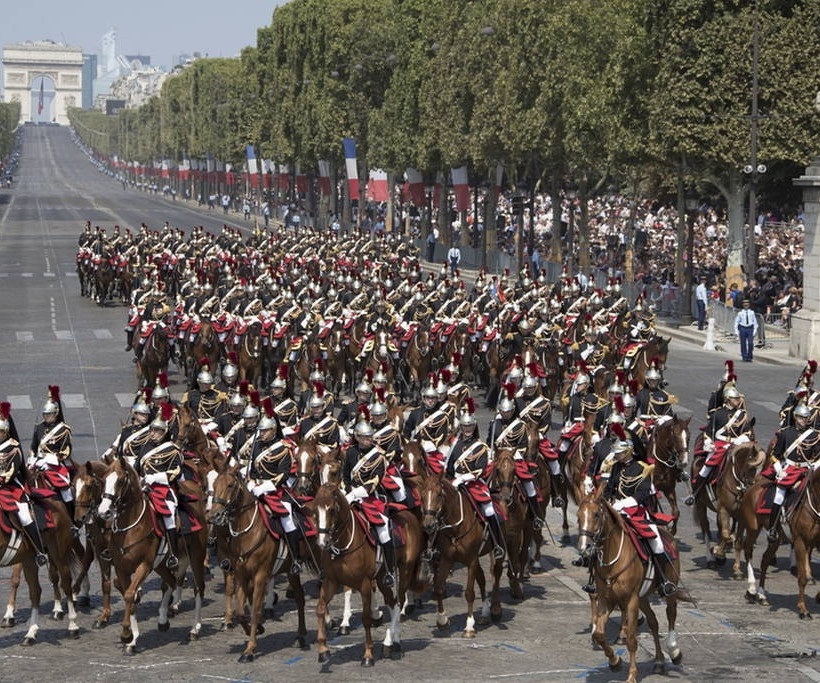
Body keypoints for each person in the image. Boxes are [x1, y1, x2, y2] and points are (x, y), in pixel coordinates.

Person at [604, 425, 680, 597]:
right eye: (616, 453)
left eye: (619, 453)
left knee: (658, 543)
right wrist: (609, 500)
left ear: (629, 452)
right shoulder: (616, 467)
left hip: (636, 512)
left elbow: (645, 492)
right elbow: (610, 488)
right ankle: (594, 579)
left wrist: (625, 503)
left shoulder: (642, 468)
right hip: (615, 511)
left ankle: (663, 581)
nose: (616, 456)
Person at [244, 398, 304, 573]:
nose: (261, 434)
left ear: (273, 430)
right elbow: (252, 470)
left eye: (264, 431)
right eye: (260, 430)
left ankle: (295, 559)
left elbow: (284, 474)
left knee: (287, 520)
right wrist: (252, 483)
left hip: (276, 491)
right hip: (256, 488)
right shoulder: (256, 446)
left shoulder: (283, 448)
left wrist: (266, 486)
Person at [344, 417, 397, 586]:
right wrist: (348, 491)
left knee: (383, 529)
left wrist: (357, 493)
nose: (369, 440)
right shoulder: (351, 452)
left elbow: (375, 480)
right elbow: (345, 475)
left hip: (371, 498)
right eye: (365, 437)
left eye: (370, 437)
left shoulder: (378, 456)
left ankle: (389, 569)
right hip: (351, 494)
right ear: (358, 437)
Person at [136, 402, 184, 569]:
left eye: (157, 431)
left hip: (164, 489)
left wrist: (155, 477)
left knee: (169, 513)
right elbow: (137, 468)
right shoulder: (144, 448)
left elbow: (177, 472)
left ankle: (173, 554)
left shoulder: (172, 450)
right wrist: (140, 480)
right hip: (144, 487)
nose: (153, 434)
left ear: (164, 432)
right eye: (152, 430)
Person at [0, 403, 47, 566]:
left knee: (24, 515)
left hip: (10, 486)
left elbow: (10, 472)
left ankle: (40, 551)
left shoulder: (13, 448)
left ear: (5, 431)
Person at [766, 401, 820, 541]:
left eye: (807, 418)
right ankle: (772, 528)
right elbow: (775, 454)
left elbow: (816, 454)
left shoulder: (814, 435)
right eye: (802, 417)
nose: (805, 420)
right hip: (789, 469)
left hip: (806, 469)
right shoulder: (785, 433)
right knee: (779, 495)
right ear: (796, 417)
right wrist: (778, 467)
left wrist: (816, 464)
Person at [29, 386, 75, 522]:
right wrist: (32, 459)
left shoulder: (64, 430)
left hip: (55, 465)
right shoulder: (39, 427)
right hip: (37, 463)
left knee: (66, 491)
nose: (46, 417)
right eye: (45, 414)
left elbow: (65, 451)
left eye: (49, 415)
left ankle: (72, 520)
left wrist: (48, 460)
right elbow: (33, 447)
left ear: (55, 414)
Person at [734, 298, 758, 362]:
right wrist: (736, 331)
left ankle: (749, 356)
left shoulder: (752, 312)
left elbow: (755, 322)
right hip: (743, 328)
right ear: (743, 305)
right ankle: (744, 356)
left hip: (750, 328)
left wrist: (755, 330)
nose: (746, 306)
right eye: (745, 305)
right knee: (743, 343)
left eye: (747, 305)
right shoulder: (740, 313)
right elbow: (736, 322)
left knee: (750, 343)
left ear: (749, 305)